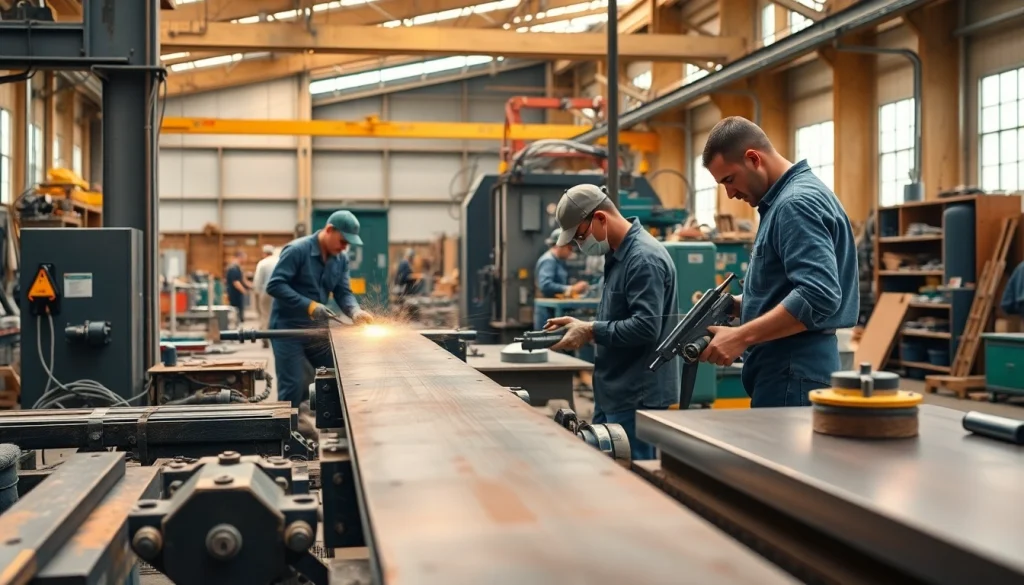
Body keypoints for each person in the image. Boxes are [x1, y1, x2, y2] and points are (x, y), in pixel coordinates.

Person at [697, 116, 858, 407]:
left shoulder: (794, 204)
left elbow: (818, 296)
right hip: (789, 368)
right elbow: (789, 290)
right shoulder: (787, 201)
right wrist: (740, 304)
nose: (730, 194)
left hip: (793, 368)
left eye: (729, 180)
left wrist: (740, 337)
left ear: (753, 158)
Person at [542, 184, 680, 460]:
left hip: (636, 395)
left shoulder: (643, 259)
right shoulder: (617, 256)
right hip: (614, 390)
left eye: (581, 236)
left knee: (636, 479)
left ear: (600, 219)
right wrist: (583, 325)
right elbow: (621, 316)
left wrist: (591, 329)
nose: (580, 246)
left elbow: (645, 327)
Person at [267, 210, 375, 407]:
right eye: (343, 240)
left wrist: (355, 312)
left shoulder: (340, 259)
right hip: (288, 329)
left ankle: (329, 424)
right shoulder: (297, 250)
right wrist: (309, 305)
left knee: (335, 375)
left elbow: (343, 292)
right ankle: (288, 433)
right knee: (294, 385)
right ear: (329, 230)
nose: (345, 247)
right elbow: (275, 285)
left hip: (317, 329)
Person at [534, 228, 588, 330]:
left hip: (554, 313)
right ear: (559, 245)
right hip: (547, 314)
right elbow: (545, 285)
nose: (571, 252)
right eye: (569, 248)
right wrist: (571, 289)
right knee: (546, 344)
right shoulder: (548, 261)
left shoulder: (558, 261)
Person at [251, 245, 280, 347]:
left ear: (264, 253)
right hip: (280, 292)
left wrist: (257, 293)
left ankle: (264, 336)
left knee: (265, 314)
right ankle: (278, 336)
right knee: (278, 314)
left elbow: (258, 281)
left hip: (266, 291)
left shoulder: (263, 263)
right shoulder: (280, 260)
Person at [225, 250, 251, 329]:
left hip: (237, 294)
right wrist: (244, 291)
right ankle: (235, 328)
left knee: (239, 311)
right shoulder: (233, 268)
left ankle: (238, 326)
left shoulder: (238, 268)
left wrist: (251, 286)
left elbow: (242, 279)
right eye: (244, 258)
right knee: (235, 311)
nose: (245, 260)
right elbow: (236, 282)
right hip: (234, 294)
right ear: (240, 257)